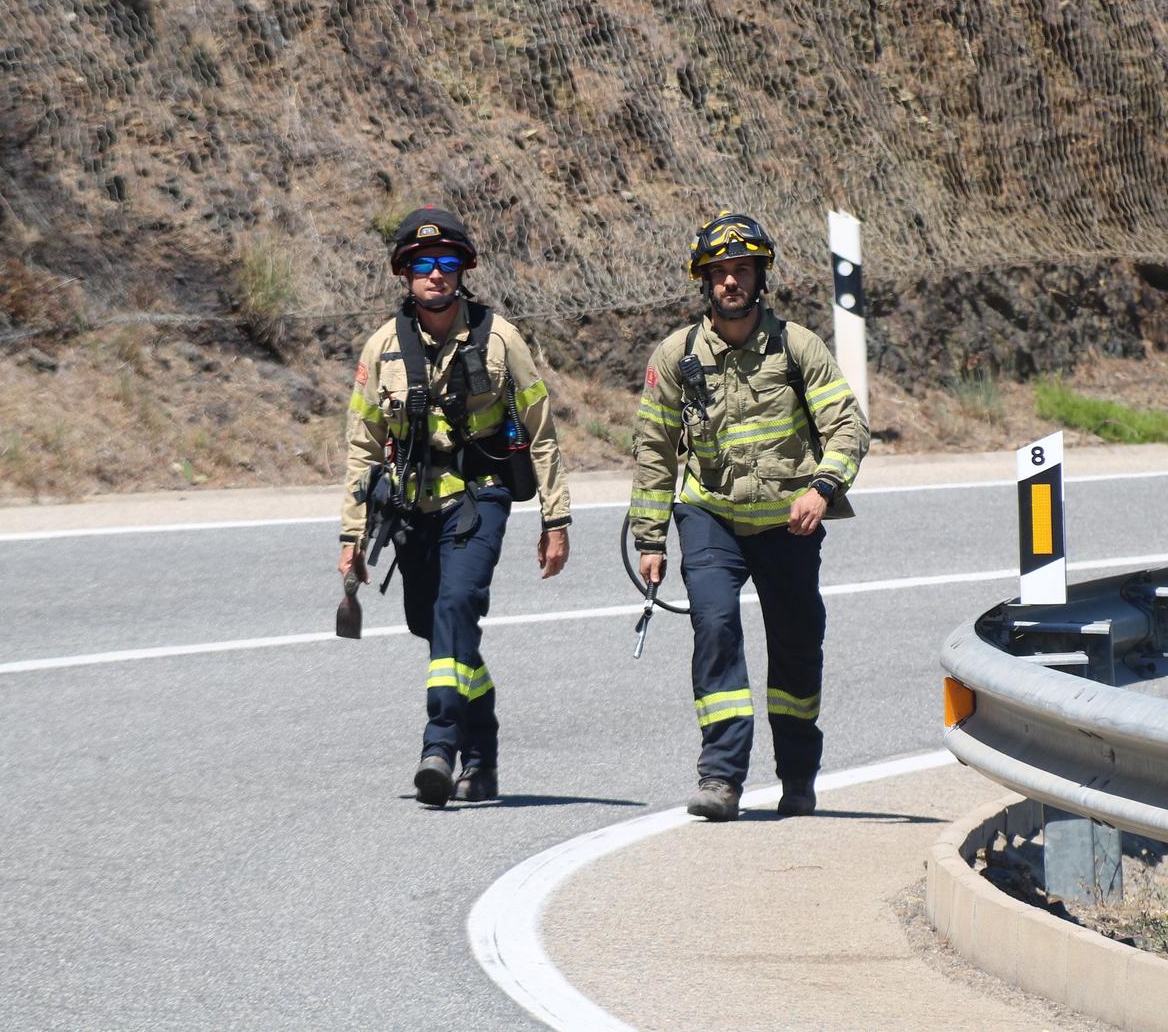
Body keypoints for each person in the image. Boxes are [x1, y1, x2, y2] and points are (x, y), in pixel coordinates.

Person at [627, 212, 869, 821]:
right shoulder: (676, 355)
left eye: (741, 271)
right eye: (719, 273)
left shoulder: (797, 346)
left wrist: (822, 487)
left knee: (796, 643)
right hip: (710, 518)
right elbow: (653, 450)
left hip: (790, 526)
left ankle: (797, 774)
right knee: (714, 627)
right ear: (703, 283)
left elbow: (848, 425)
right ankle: (721, 777)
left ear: (761, 278)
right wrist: (650, 538)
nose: (730, 282)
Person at [339, 206, 571, 808]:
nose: (435, 275)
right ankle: (483, 757)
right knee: (436, 627)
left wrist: (556, 518)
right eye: (422, 265)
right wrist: (351, 535)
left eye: (446, 263)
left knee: (456, 606)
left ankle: (438, 748)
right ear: (405, 275)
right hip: (412, 508)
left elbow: (542, 430)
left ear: (463, 270)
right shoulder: (383, 346)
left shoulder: (501, 338)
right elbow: (361, 445)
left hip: (480, 497)